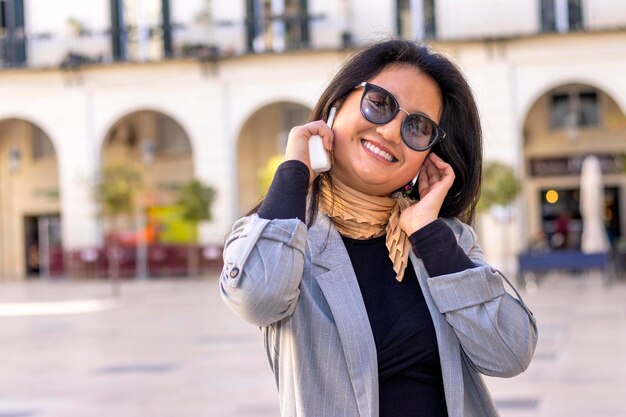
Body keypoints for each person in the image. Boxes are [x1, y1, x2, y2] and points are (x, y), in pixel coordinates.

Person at [220, 39, 537, 417]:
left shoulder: (445, 241)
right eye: (380, 103)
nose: (389, 132)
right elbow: (255, 298)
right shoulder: (288, 237)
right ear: (338, 104)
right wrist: (295, 172)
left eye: (417, 127)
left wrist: (428, 235)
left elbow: (511, 353)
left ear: (428, 156)